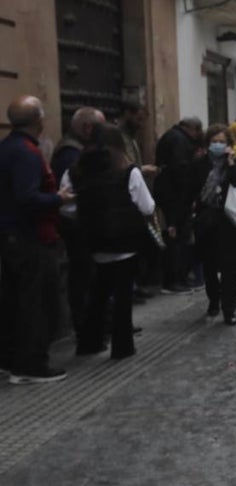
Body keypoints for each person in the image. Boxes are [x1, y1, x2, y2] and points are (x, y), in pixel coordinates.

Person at [0, 95, 73, 383]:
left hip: (11, 236)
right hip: (31, 237)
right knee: (36, 302)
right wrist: (58, 197)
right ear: (38, 120)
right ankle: (31, 364)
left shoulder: (6, 147)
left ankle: (9, 358)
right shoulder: (27, 153)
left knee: (14, 299)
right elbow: (27, 198)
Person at [68, 126, 154, 359]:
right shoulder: (128, 172)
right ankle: (122, 347)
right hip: (125, 241)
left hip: (93, 242)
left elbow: (68, 207)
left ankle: (89, 342)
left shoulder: (75, 171)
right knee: (123, 295)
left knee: (98, 292)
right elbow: (147, 206)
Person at [52, 106, 104, 334]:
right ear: (88, 128)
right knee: (83, 276)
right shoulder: (71, 154)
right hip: (77, 228)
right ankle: (85, 326)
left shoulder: (80, 150)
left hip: (83, 225)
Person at [191, 125, 236, 325]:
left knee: (230, 269)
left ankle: (229, 309)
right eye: (214, 141)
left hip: (228, 222)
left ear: (229, 144)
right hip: (206, 222)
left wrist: (230, 162)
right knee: (210, 267)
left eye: (222, 142)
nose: (218, 145)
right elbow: (192, 191)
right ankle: (214, 301)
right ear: (207, 144)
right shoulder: (199, 165)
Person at [154, 117, 203, 294]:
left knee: (178, 237)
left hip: (173, 196)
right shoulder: (178, 140)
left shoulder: (175, 137)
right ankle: (172, 280)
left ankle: (178, 277)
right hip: (174, 198)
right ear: (193, 129)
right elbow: (180, 170)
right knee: (175, 236)